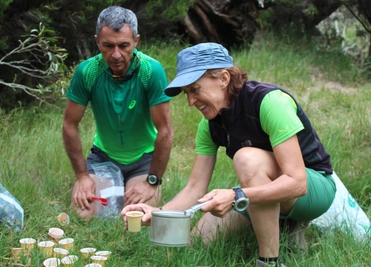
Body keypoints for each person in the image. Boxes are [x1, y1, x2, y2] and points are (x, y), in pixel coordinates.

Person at [121, 42, 336, 267]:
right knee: (199, 240)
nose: (190, 102)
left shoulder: (270, 102)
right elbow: (195, 188)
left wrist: (236, 196)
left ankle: (269, 261)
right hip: (262, 188)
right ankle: (284, 226)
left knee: (247, 159)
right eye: (186, 93)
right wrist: (157, 213)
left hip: (313, 187)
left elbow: (297, 183)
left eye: (195, 89)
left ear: (223, 78)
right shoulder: (210, 124)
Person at [62, 6, 173, 219]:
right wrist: (82, 176)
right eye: (108, 46)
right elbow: (69, 124)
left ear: (136, 41)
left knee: (137, 218)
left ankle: (131, 185)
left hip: (143, 159)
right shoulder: (87, 72)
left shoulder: (151, 71)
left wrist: (153, 180)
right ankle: (101, 182)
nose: (116, 55)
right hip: (103, 157)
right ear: (97, 42)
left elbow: (165, 131)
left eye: (124, 45)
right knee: (84, 215)